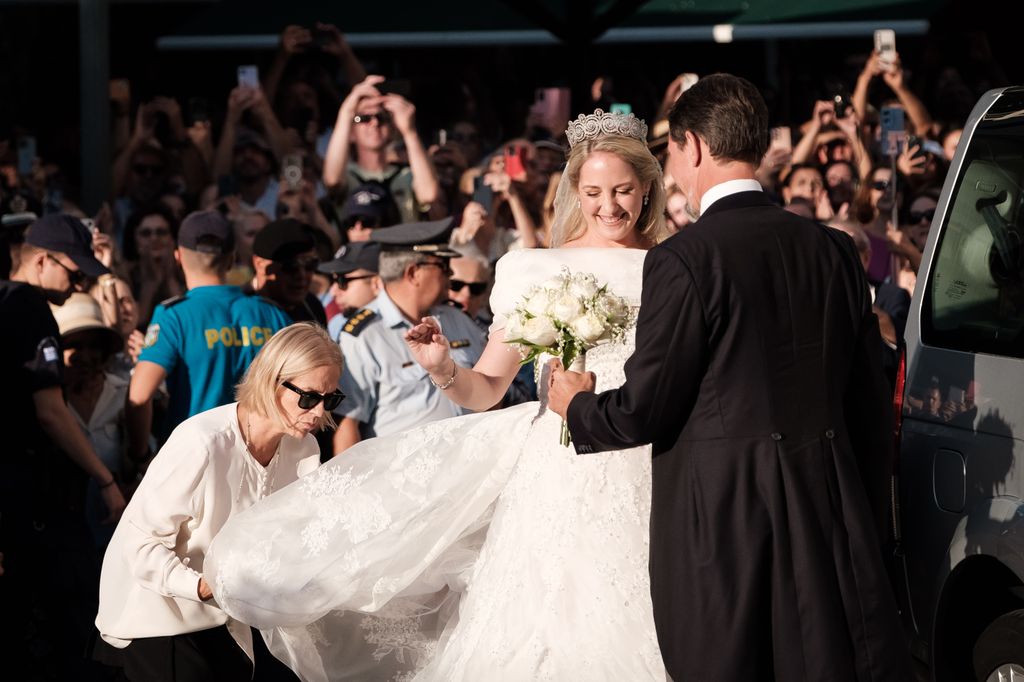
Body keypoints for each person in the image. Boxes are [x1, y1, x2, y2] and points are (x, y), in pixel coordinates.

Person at [203, 109, 671, 680]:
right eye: (594, 191)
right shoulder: (535, 269)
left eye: (623, 190)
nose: (609, 206)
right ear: (574, 191)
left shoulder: (675, 265)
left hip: (652, 461)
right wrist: (444, 367)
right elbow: (490, 388)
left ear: (648, 188)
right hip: (561, 470)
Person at [548, 73, 912, 680]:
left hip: (724, 519)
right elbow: (868, 404)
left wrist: (578, 406)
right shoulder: (832, 250)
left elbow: (647, 406)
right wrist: (869, 524)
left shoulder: (685, 258)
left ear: (691, 147)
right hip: (831, 505)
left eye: (670, 150)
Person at [95, 323, 340, 682]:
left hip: (232, 623)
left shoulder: (303, 449)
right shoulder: (202, 442)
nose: (318, 412)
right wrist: (204, 586)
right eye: (308, 397)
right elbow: (139, 543)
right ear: (271, 380)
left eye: (330, 399)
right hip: (158, 620)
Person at [0, 213, 126, 679]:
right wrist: (106, 478)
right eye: (73, 272)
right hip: (24, 502)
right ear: (39, 260)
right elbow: (50, 411)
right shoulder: (27, 306)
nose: (77, 285)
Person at [127, 209, 292, 451]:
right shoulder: (272, 313)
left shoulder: (174, 314)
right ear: (231, 258)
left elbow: (139, 396)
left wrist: (138, 456)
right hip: (263, 457)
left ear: (178, 257)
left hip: (194, 458)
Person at [331, 218, 486, 454]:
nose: (450, 273)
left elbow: (491, 391)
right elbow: (346, 424)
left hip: (471, 465)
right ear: (413, 273)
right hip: (401, 480)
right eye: (442, 265)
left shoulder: (458, 320)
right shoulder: (363, 336)